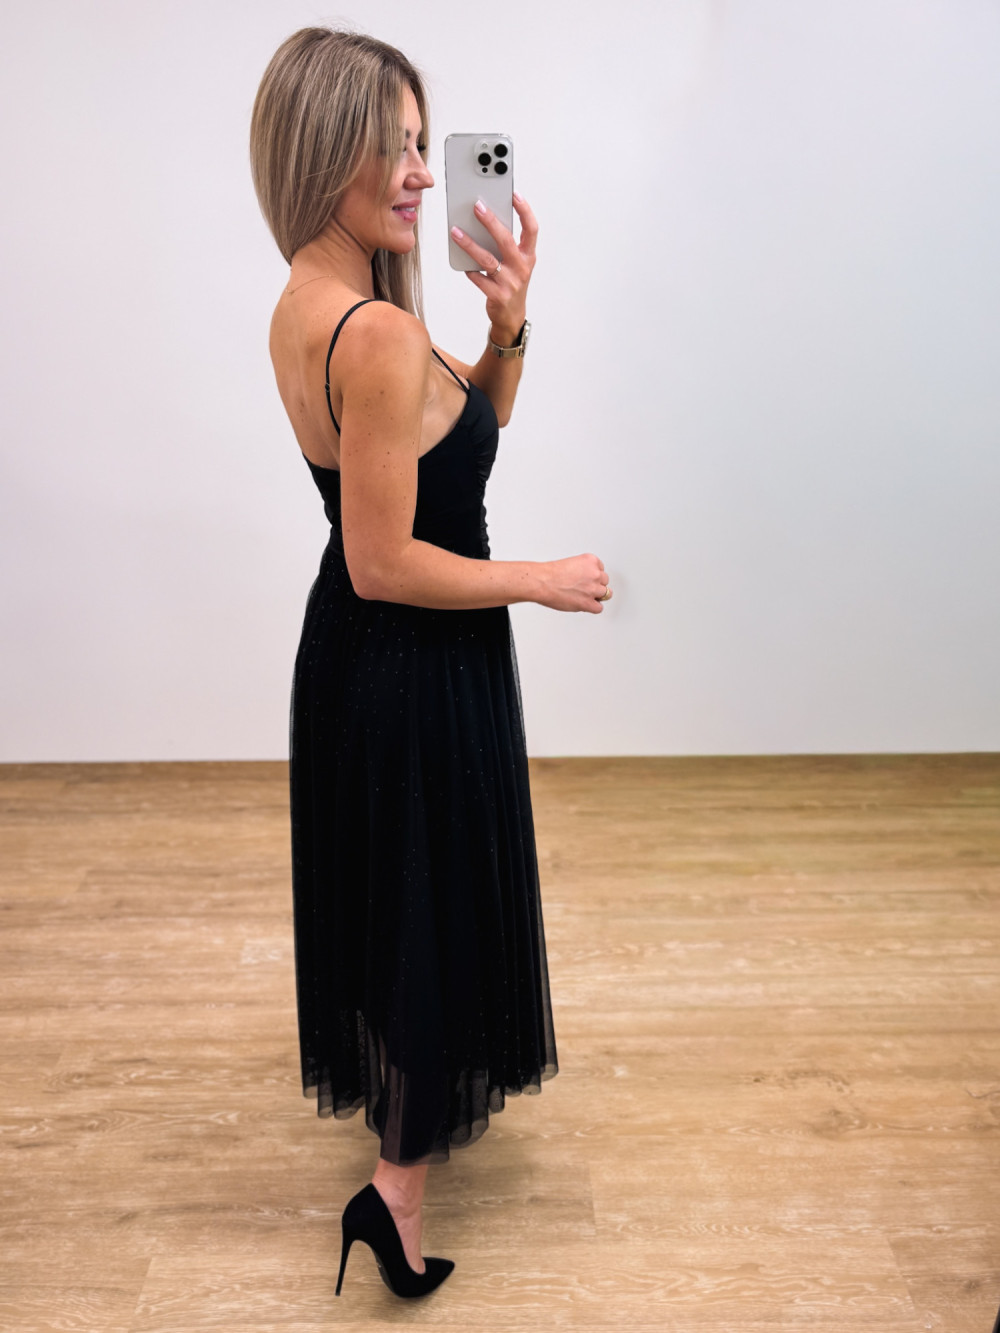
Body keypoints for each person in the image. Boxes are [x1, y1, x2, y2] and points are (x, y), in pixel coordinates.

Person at [249, 27, 612, 1299]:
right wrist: (540, 578)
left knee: (405, 897)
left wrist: (507, 324)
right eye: (392, 146)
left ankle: (394, 1169)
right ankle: (391, 1196)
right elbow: (384, 559)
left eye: (422, 144)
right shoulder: (378, 336)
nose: (418, 172)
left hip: (368, 663)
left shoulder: (318, 308)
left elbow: (472, 421)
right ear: (320, 151)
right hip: (412, 658)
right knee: (426, 906)